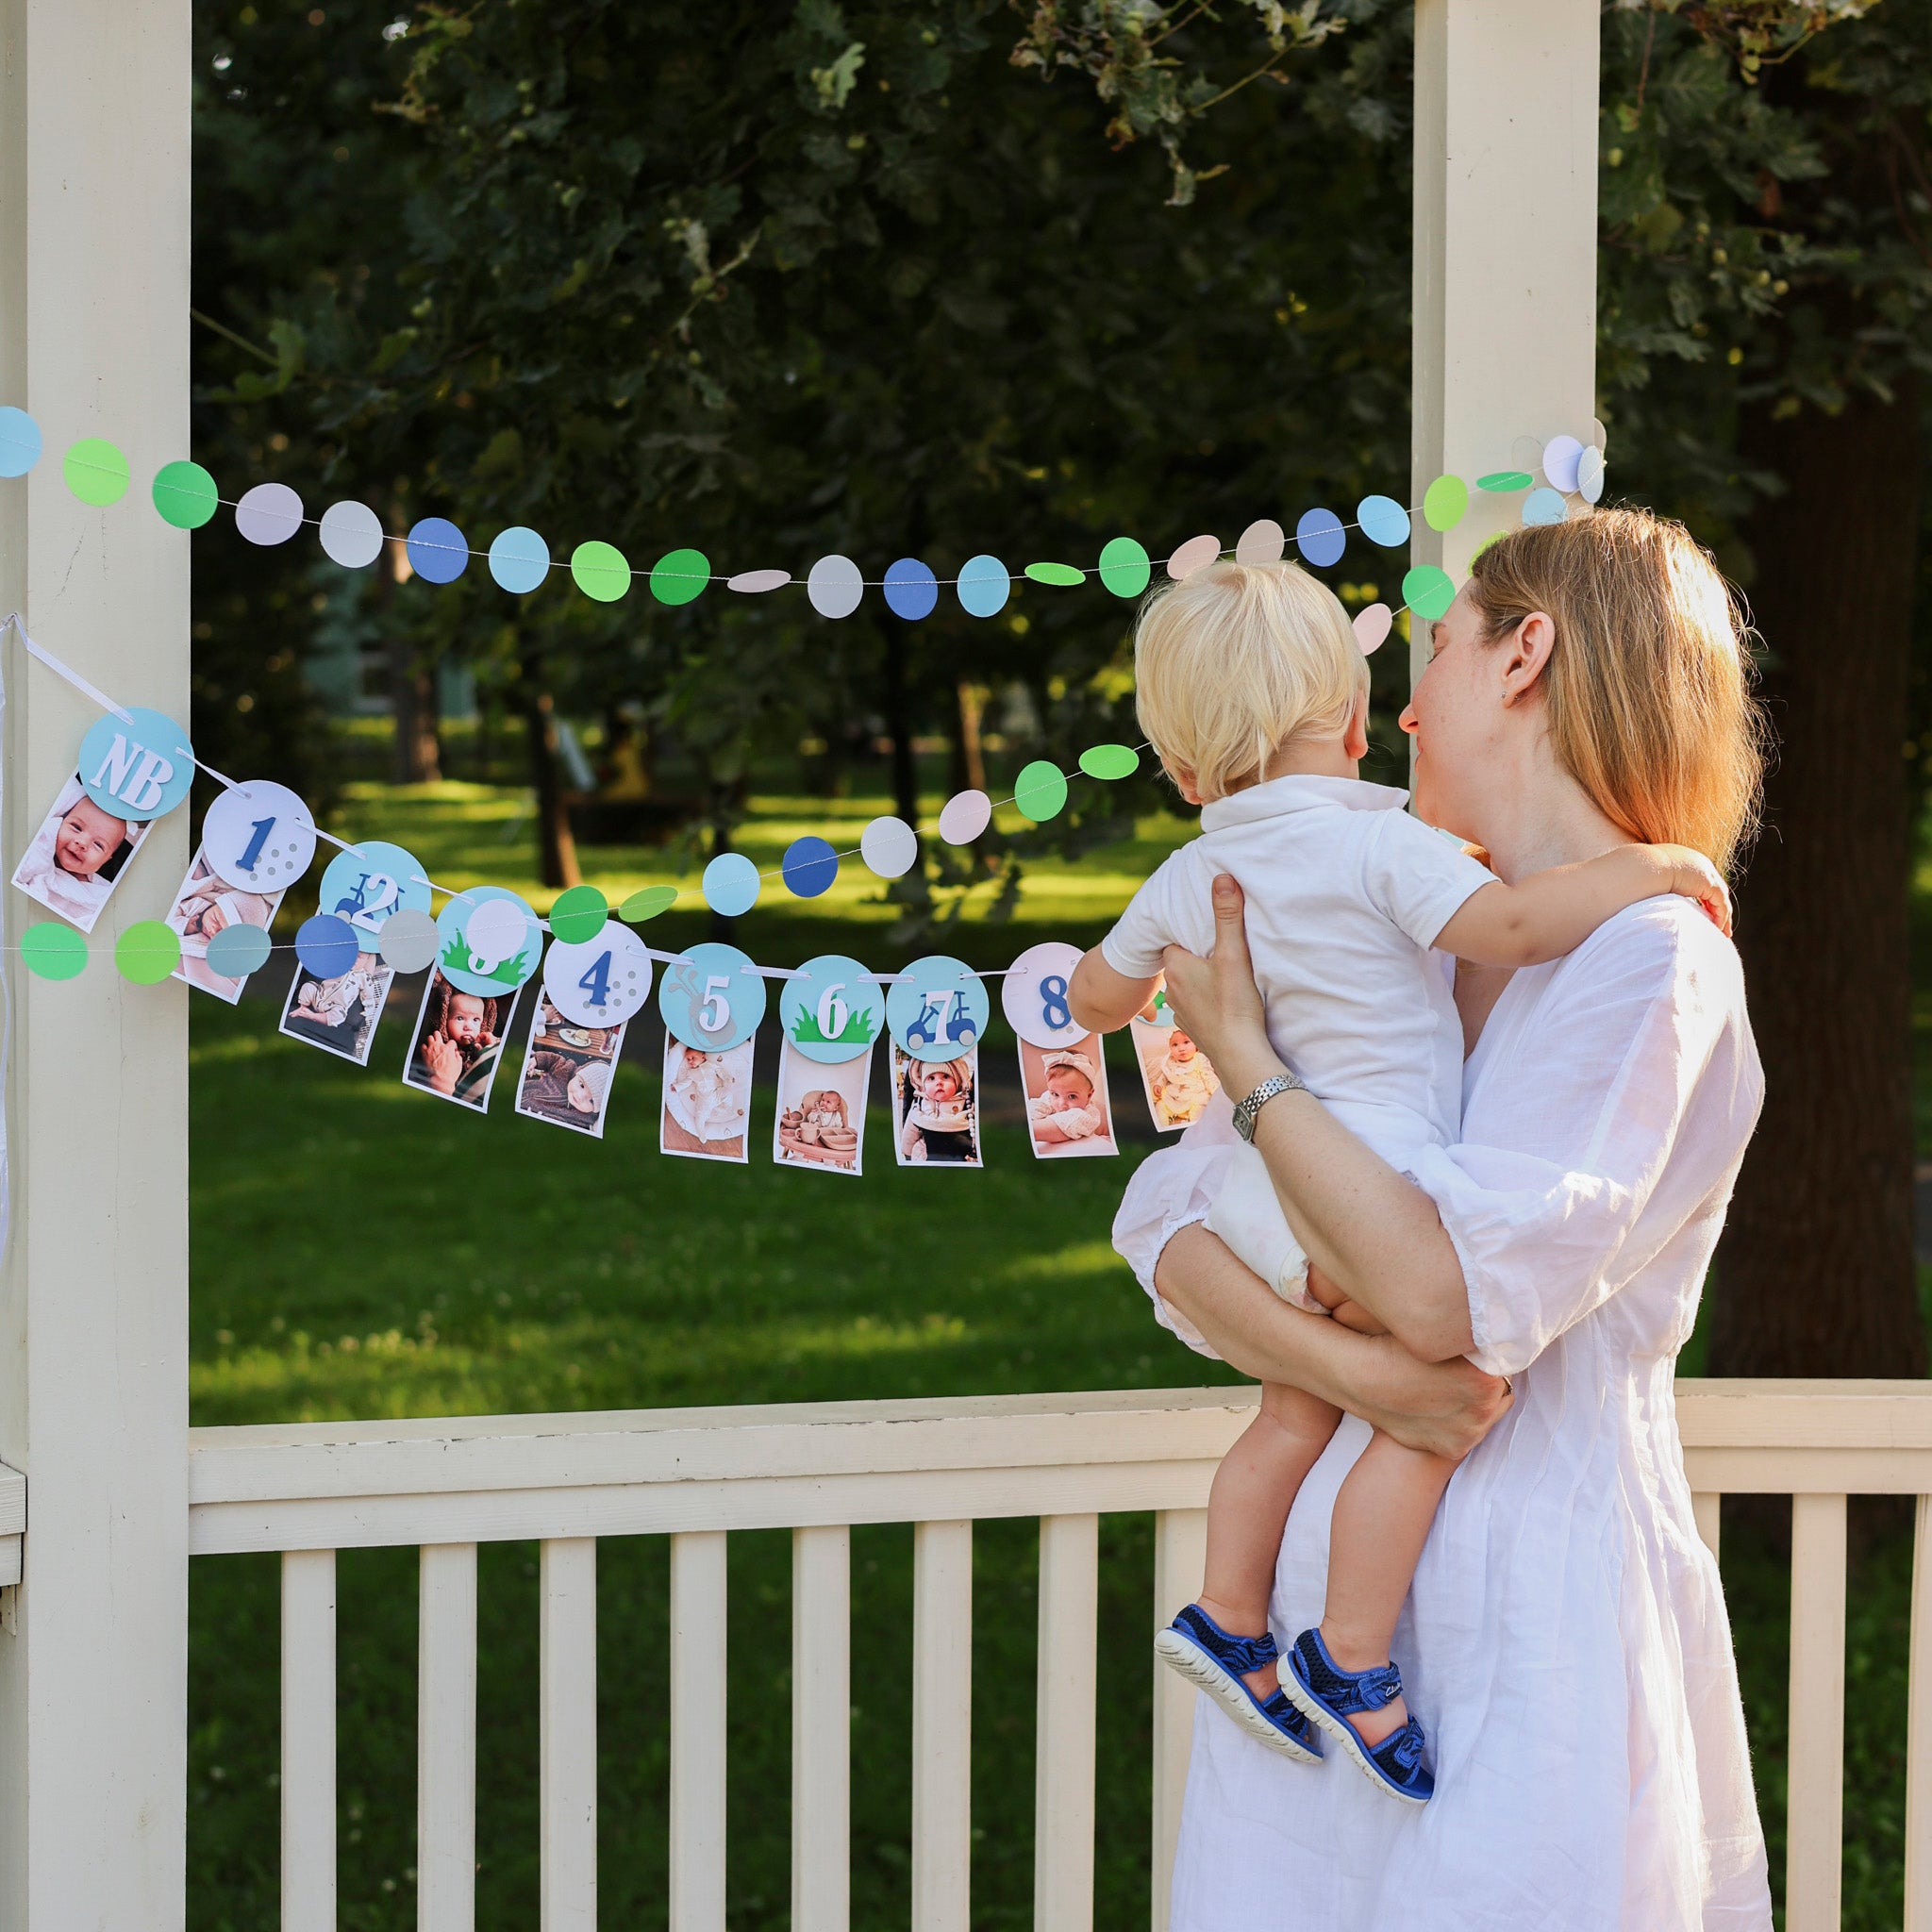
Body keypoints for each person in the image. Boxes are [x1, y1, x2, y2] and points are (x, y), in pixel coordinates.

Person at [1131, 509, 1771, 1927]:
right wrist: (1361, 1373)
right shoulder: (1420, 944)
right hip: (1320, 1643)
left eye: (1432, 652)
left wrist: (1251, 1069)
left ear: (1526, 653)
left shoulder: (1650, 964)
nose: (1401, 707)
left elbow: (1440, 1298)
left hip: (1523, 1619)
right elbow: (1173, 1232)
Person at [11, 780, 138, 929]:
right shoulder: (41, 856)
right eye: (76, 827)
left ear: (105, 861)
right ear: (60, 822)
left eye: (98, 845)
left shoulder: (101, 893)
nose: (82, 843)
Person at [412, 978, 504, 1107]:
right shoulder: (439, 1049)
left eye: (476, 1020)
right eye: (460, 1018)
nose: (468, 1026)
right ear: (444, 1019)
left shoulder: (483, 1047)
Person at [898, 1055, 978, 1163]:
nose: (939, 1082)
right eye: (931, 1078)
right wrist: (907, 1154)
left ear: (958, 1081)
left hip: (959, 1155)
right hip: (925, 1155)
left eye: (946, 1077)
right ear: (923, 1084)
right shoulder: (920, 1106)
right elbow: (910, 1132)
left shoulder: (966, 1104)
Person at [1027, 1048, 1109, 1147]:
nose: (1062, 1104)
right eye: (1055, 1094)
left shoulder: (1088, 1115)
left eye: (1072, 1096)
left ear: (1089, 1095)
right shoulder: (1051, 1096)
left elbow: (1065, 1123)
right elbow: (1037, 1106)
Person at [1148, 1021, 1217, 1127]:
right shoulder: (1170, 1061)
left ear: (1196, 1045)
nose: (1181, 1048)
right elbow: (1165, 1075)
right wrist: (1159, 1085)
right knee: (1160, 1106)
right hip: (1174, 1098)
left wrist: (1216, 1091)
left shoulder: (1199, 1059)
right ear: (1170, 1049)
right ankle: (1163, 1129)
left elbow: (1209, 1076)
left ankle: (1195, 1129)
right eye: (1175, 1045)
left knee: (1199, 1111)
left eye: (1186, 1042)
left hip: (1194, 1097)